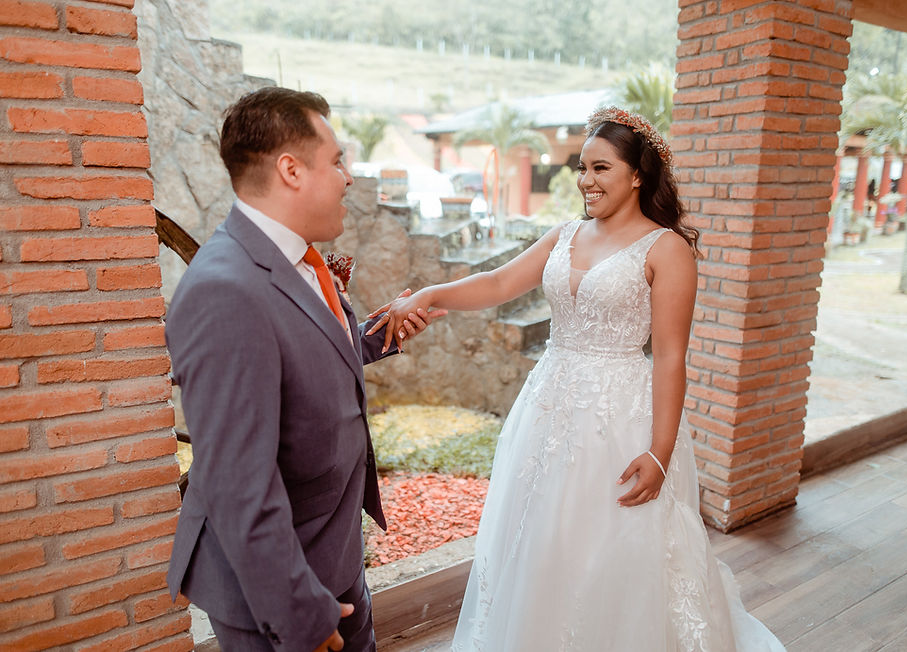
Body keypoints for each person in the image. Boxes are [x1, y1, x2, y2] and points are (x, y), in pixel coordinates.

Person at [373, 107, 785, 650]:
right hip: (547, 405)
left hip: (620, 418)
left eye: (601, 169)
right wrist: (429, 295)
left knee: (611, 546)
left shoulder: (667, 249)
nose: (586, 181)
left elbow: (669, 358)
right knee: (544, 540)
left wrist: (660, 451)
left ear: (637, 174)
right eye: (582, 168)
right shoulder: (564, 234)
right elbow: (499, 284)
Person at [165, 87, 442, 652]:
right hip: (279, 593)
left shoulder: (299, 260)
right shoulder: (225, 288)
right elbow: (236, 484)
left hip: (332, 552)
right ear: (291, 170)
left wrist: (372, 338)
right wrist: (298, 615)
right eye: (337, 160)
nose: (348, 178)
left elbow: (298, 358)